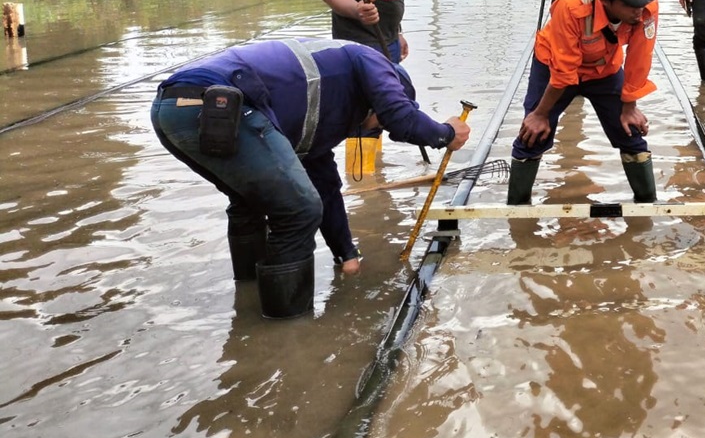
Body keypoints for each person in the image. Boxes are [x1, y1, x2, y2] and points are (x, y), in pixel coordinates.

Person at [150, 39, 471, 319]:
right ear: (382, 96)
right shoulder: (372, 62)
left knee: (250, 203)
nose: (376, 128)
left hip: (172, 110)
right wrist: (445, 133)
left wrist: (346, 254)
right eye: (379, 120)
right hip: (218, 105)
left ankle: (247, 305)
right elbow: (402, 118)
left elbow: (326, 187)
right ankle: (290, 333)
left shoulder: (320, 114)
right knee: (299, 210)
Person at [508, 0, 661, 205]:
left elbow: (639, 58)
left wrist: (629, 106)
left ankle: (647, 208)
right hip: (553, 65)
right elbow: (564, 71)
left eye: (642, 0)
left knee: (630, 132)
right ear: (604, 0)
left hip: (604, 70)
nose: (639, 9)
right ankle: (517, 212)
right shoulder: (570, 6)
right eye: (630, 3)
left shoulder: (646, 8)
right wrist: (540, 113)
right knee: (532, 134)